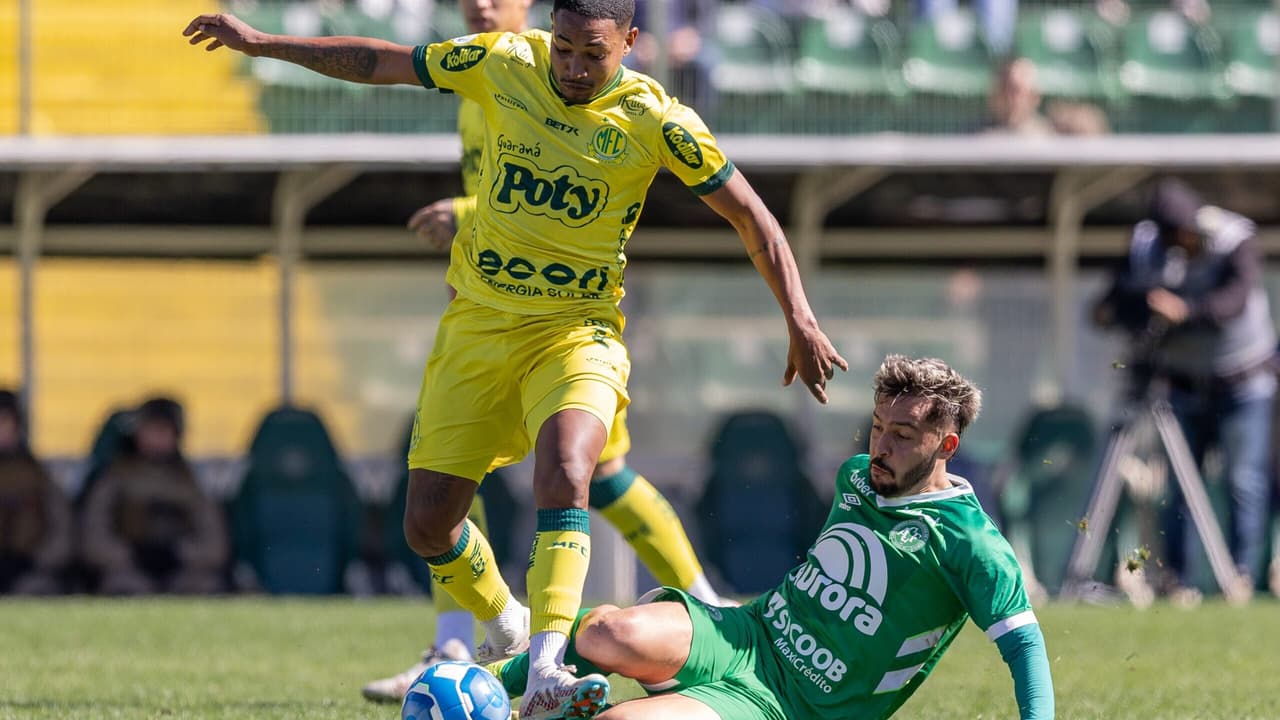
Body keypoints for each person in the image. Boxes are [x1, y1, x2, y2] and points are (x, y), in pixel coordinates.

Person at [183, 2, 847, 717]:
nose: (572, 67)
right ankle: (505, 619)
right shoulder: (504, 64)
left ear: (630, 42)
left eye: (592, 53)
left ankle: (548, 668)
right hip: (478, 329)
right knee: (428, 525)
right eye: (563, 48)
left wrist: (800, 318)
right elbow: (381, 61)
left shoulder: (661, 122)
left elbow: (752, 215)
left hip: (575, 332)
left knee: (571, 469)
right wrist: (262, 43)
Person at [365, 0, 734, 703]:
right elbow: (509, 191)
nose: (477, 3)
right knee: (450, 494)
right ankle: (479, 633)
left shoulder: (608, 98)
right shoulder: (488, 74)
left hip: (567, 321)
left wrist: (465, 214)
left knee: (595, 476)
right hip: (489, 307)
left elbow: (572, 190)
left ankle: (692, 614)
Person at [485, 355, 1054, 720]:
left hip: (793, 705)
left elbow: (1024, 648)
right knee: (612, 629)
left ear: (946, 447)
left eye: (903, 436)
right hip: (749, 632)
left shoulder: (973, 546)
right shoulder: (855, 476)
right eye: (878, 426)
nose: (881, 446)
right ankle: (488, 689)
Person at [1093, 178, 1276, 606]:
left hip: (1242, 381)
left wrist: (1186, 310)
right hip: (1182, 383)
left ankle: (1241, 575)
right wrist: (1121, 308)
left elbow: (1234, 301)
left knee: (1243, 480)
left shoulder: (1234, 239)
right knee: (1179, 485)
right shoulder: (1147, 247)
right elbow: (1120, 298)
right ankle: (1178, 579)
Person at [79, 397, 229, 595]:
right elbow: (94, 539)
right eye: (151, 431)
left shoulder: (189, 483)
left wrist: (178, 554)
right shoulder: (115, 479)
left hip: (183, 572)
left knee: (204, 587)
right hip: (128, 570)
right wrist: (132, 555)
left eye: (164, 431)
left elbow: (214, 544)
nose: (157, 439)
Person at [0, 390, 74, 595]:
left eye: (4, 422)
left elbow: (62, 532)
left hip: (30, 571)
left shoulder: (38, 477)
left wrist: (34, 560)